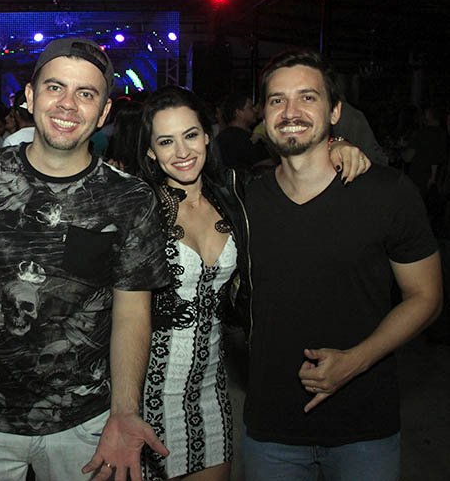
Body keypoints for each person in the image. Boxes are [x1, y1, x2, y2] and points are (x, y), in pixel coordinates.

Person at [0, 37, 170, 481]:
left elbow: (132, 314)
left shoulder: (129, 199)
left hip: (85, 423)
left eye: (85, 93)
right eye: (55, 87)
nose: (68, 104)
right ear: (30, 96)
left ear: (104, 112)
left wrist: (125, 412)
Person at [135, 85, 371, 481]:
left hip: (210, 388)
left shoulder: (234, 193)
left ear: (207, 136)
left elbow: (296, 170)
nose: (182, 151)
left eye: (190, 135)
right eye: (166, 141)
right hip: (147, 391)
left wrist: (337, 144)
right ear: (150, 152)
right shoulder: (137, 207)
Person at [242, 50, 442, 481]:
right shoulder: (244, 202)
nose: (290, 111)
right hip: (272, 430)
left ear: (335, 112)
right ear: (263, 115)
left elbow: (426, 296)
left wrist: (355, 361)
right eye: (277, 100)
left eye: (307, 97)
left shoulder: (388, 193)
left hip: (364, 428)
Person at [215, 92, 274, 171]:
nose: (255, 110)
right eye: (251, 107)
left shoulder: (220, 138)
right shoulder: (250, 139)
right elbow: (269, 166)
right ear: (238, 113)